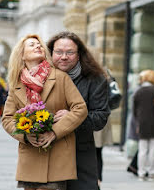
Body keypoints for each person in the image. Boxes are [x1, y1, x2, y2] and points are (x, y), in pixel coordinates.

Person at [2, 34, 88, 190]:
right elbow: (7, 118)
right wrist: (25, 136)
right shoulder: (16, 84)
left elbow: (80, 108)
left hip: (57, 154)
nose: (38, 46)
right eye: (32, 45)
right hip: (30, 156)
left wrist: (54, 132)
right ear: (21, 55)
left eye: (40, 45)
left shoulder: (60, 77)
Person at [47, 31, 110, 190]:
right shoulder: (41, 78)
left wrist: (73, 118)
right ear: (51, 52)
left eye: (70, 52)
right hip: (46, 152)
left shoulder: (95, 79)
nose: (64, 57)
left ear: (79, 54)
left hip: (80, 153)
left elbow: (100, 118)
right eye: (59, 52)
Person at [132, 69, 154, 181]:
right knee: (153, 150)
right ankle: (151, 173)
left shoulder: (138, 91)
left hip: (142, 123)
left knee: (142, 150)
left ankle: (141, 173)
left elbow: (134, 110)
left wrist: (137, 123)